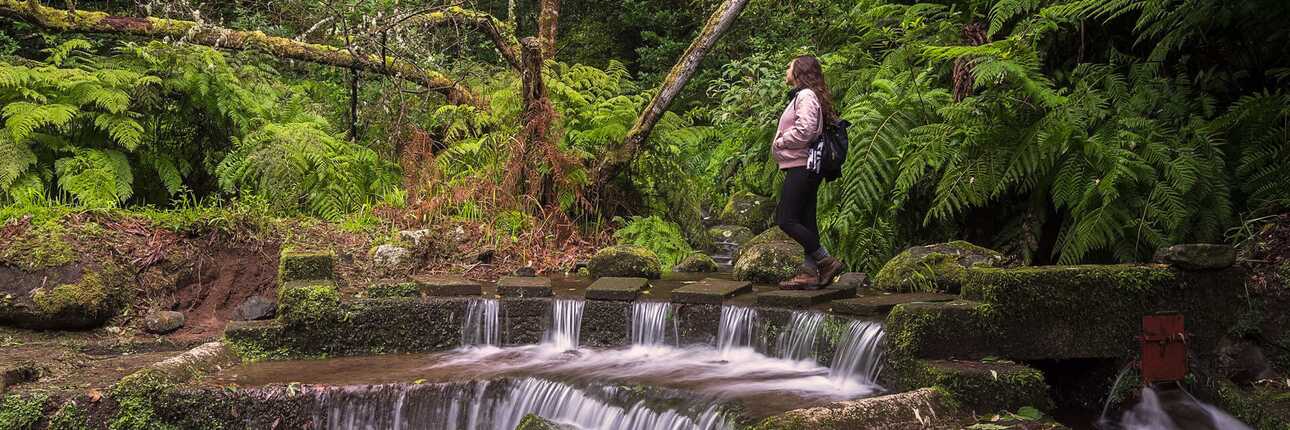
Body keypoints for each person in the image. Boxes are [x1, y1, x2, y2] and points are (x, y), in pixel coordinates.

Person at [771, 56, 844, 290]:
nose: (786, 68)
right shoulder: (806, 95)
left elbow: (806, 130)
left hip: (803, 166)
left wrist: (782, 141)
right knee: (806, 221)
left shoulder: (805, 96)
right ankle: (809, 273)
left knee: (786, 220)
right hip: (804, 166)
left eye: (789, 65)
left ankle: (825, 260)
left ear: (799, 71)